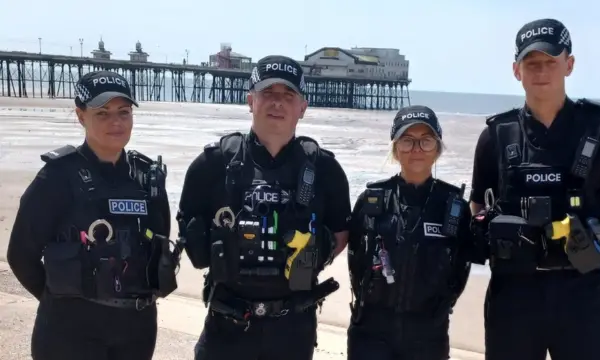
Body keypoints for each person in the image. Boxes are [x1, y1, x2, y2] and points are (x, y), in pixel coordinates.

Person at [470, 19, 600, 360]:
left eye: (551, 61)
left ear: (569, 64)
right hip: (512, 297)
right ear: (517, 70)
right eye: (532, 63)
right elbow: (480, 211)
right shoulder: (496, 136)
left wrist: (586, 257)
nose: (541, 71)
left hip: (582, 295)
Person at [177, 55, 351, 360]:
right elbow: (190, 231)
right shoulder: (214, 164)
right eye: (268, 93)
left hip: (293, 329)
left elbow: (340, 234)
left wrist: (306, 259)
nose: (277, 103)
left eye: (288, 95)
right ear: (250, 100)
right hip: (226, 326)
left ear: (303, 108)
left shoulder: (325, 169)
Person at [6, 71, 180, 360]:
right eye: (102, 113)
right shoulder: (58, 177)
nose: (116, 122)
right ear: (80, 115)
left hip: (135, 331)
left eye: (124, 112)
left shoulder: (146, 177)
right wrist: (61, 300)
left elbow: (159, 240)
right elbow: (21, 256)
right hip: (70, 333)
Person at [347, 105, 472, 360]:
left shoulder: (453, 205)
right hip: (371, 332)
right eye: (407, 141)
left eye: (425, 141)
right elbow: (355, 261)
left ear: (437, 148)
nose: (416, 149)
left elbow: (462, 266)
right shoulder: (371, 200)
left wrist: (442, 307)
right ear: (395, 147)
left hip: (428, 334)